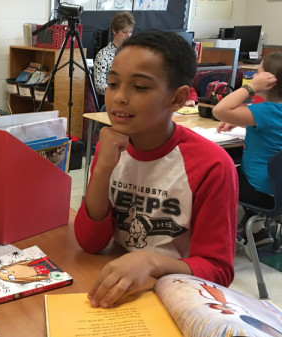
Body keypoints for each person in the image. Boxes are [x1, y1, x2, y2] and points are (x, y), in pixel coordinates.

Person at [75, 30, 238, 309]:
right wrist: (102, 168)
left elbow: (218, 271)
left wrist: (151, 262)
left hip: (176, 294)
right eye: (113, 84)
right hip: (121, 285)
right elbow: (90, 242)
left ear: (177, 99)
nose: (119, 98)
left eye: (139, 87)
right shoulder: (110, 146)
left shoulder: (212, 165)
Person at [213, 52, 282, 247]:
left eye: (258, 74)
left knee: (214, 174)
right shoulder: (270, 113)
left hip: (261, 189)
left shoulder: (265, 111)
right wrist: (243, 122)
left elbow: (218, 111)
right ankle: (257, 228)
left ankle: (217, 232)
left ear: (269, 81)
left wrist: (250, 88)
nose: (254, 77)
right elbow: (275, 131)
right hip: (277, 188)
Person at [93, 11, 135, 109]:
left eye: (130, 32)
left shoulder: (133, 54)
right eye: (124, 32)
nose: (128, 35)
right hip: (110, 102)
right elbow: (99, 86)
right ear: (114, 31)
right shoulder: (103, 55)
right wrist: (120, 91)